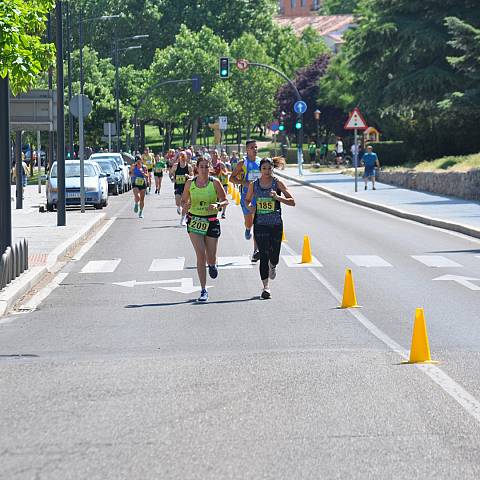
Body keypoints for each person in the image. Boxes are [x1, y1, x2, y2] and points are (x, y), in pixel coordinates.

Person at [245, 157, 295, 299]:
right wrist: (250, 207)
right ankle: (266, 288)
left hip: (275, 224)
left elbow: (292, 202)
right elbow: (247, 200)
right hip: (260, 224)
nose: (267, 171)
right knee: (264, 255)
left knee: (274, 256)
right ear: (260, 170)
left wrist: (278, 198)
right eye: (264, 168)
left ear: (273, 168)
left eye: (269, 168)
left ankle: (273, 265)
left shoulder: (277, 183)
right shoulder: (254, 185)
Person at [181, 156, 228, 302]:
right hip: (195, 221)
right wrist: (186, 204)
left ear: (210, 168)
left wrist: (218, 205)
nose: (204, 169)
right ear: (196, 168)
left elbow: (225, 200)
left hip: (212, 221)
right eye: (201, 166)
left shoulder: (215, 182)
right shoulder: (190, 183)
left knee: (210, 256)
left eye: (206, 166)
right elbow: (183, 200)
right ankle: (203, 290)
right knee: (200, 256)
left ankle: (212, 264)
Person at [230, 139, 262, 261]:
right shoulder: (242, 163)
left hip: (259, 197)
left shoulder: (261, 162)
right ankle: (248, 229)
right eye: (252, 148)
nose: (255, 149)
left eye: (256, 147)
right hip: (246, 196)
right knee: (249, 222)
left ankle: (256, 251)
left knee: (257, 224)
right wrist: (244, 182)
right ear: (247, 150)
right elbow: (231, 178)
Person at [170, 151, 193, 225]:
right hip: (178, 185)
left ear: (186, 157)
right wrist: (172, 178)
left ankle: (183, 219)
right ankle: (178, 207)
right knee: (177, 200)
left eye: (183, 156)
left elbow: (192, 176)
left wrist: (188, 176)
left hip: (186, 186)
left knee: (185, 203)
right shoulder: (176, 166)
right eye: (181, 156)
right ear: (179, 157)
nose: (182, 158)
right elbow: (170, 174)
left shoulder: (189, 166)